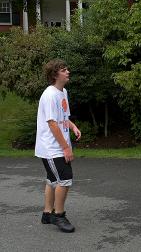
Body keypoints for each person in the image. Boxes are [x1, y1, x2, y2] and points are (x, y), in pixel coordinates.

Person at [35, 59, 81, 233]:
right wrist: (66, 148)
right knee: (65, 178)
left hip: (56, 146)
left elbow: (63, 117)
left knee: (53, 180)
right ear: (55, 75)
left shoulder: (63, 92)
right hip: (51, 148)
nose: (68, 71)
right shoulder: (50, 94)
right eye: (63, 70)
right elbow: (52, 123)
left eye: (67, 68)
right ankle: (58, 215)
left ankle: (47, 213)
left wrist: (73, 126)